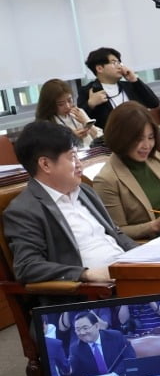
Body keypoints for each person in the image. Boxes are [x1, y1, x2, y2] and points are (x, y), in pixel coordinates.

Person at [4, 121, 137, 284]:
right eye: (72, 157)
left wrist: (148, 258)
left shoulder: (85, 191)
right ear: (45, 164)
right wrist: (85, 274)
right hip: (91, 294)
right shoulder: (24, 210)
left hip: (129, 276)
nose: (80, 164)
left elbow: (116, 234)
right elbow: (27, 267)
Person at [92, 101, 160, 241]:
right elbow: (117, 232)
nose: (147, 146)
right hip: (153, 244)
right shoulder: (107, 179)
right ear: (121, 138)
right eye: (138, 139)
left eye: (151, 137)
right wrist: (155, 226)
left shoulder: (155, 158)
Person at [78, 46, 160, 129]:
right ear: (100, 68)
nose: (120, 67)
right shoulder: (89, 91)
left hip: (139, 131)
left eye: (119, 63)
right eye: (114, 63)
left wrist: (134, 80)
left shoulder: (130, 85)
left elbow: (154, 103)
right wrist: (90, 104)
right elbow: (80, 120)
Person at [66, 310, 132, 376]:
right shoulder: (75, 348)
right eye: (78, 330)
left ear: (97, 326)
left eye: (85, 328)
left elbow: (129, 357)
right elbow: (71, 367)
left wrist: (115, 375)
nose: (82, 333)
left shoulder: (115, 336)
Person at [35, 78, 102, 148]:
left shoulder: (78, 112)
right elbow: (51, 150)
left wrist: (85, 121)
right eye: (60, 104)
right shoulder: (46, 124)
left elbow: (100, 138)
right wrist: (72, 137)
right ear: (50, 105)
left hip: (93, 153)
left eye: (70, 100)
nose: (67, 106)